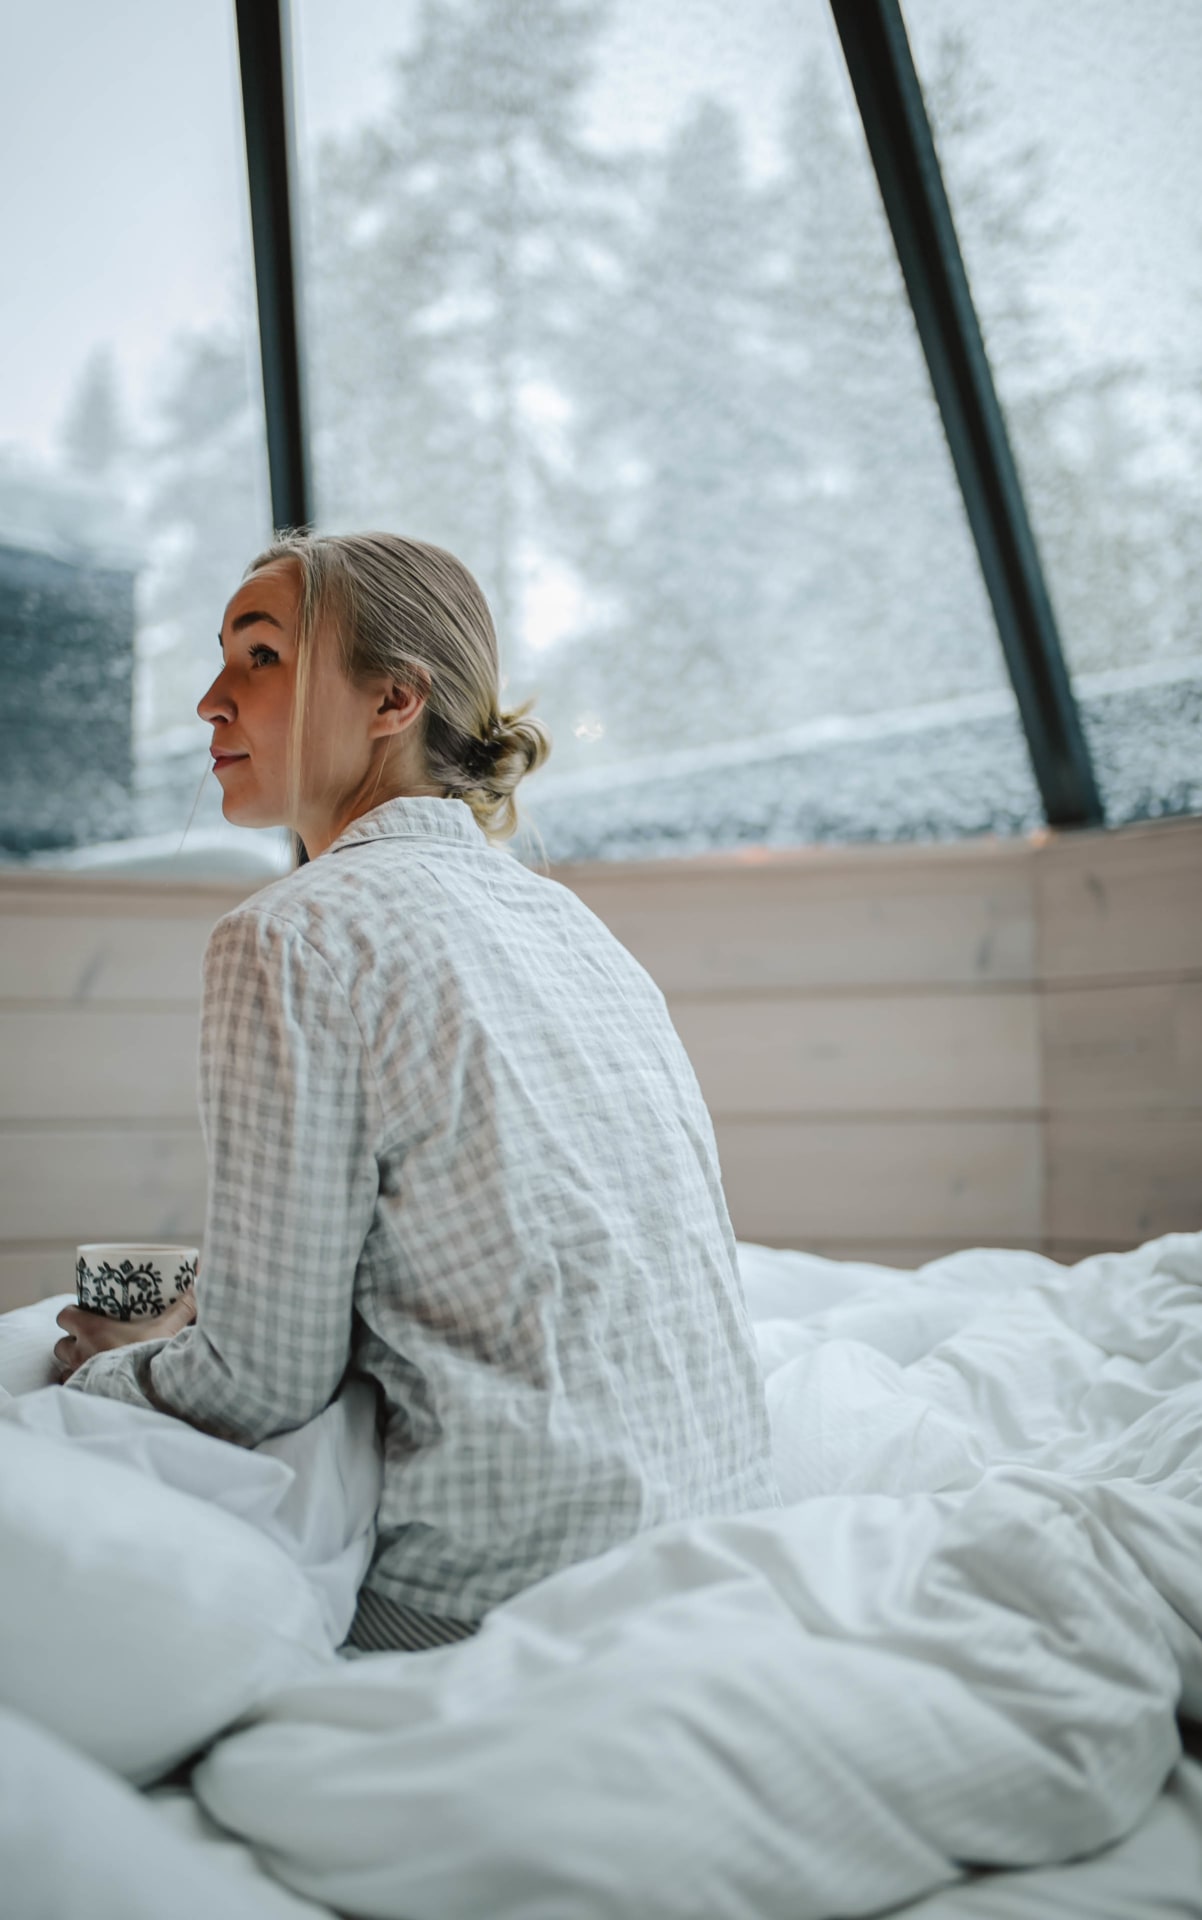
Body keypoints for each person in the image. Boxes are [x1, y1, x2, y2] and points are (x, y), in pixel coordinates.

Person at [55, 531, 779, 1653]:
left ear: (392, 699)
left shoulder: (288, 936)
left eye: (259, 658)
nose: (206, 701)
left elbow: (258, 1384)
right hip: (713, 1537)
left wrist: (106, 1376)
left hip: (490, 1596)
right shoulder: (574, 928)